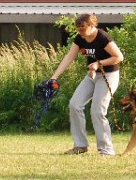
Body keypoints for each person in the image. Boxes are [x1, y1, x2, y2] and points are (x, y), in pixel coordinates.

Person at [50, 13, 123, 156]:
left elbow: (119, 57)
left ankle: (106, 150)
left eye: (83, 29)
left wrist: (99, 63)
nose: (81, 32)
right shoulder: (80, 38)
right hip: (92, 76)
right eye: (78, 29)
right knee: (74, 104)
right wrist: (54, 77)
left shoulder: (102, 37)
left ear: (92, 25)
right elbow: (69, 57)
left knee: (97, 111)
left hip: (108, 75)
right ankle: (80, 146)